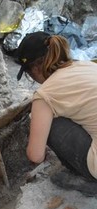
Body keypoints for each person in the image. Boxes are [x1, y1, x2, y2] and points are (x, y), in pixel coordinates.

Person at [16, 31, 97, 196]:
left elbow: (35, 156)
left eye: (29, 74)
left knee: (54, 123)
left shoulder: (45, 94)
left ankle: (88, 180)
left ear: (36, 68)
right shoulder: (87, 65)